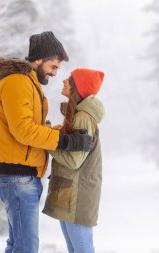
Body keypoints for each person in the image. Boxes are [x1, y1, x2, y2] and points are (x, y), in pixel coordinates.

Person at [0, 31, 93, 253]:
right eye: (53, 67)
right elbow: (24, 131)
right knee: (26, 247)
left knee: (17, 245)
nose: (55, 73)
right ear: (38, 59)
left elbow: (31, 126)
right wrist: (64, 140)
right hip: (18, 176)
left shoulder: (28, 83)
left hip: (22, 175)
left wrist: (63, 133)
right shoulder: (18, 82)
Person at [43, 68, 105, 253]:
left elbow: (73, 161)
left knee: (82, 249)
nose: (64, 81)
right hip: (70, 192)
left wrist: (46, 140)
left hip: (77, 195)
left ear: (78, 88)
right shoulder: (77, 116)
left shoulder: (82, 119)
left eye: (69, 80)